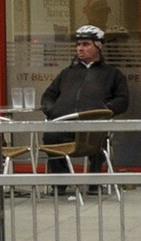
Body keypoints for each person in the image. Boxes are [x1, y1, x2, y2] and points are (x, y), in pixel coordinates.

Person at [40, 24, 129, 187]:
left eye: (86, 44)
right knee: (49, 137)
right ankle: (62, 182)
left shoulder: (113, 74)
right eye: (78, 44)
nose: (80, 48)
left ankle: (94, 183)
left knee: (97, 138)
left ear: (99, 46)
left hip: (92, 126)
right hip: (64, 124)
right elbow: (48, 96)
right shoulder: (67, 73)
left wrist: (105, 109)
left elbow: (122, 100)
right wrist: (52, 110)